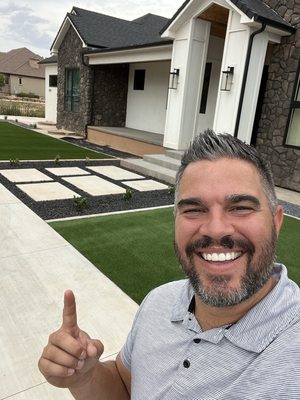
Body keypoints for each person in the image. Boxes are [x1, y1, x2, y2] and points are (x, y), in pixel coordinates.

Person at [38, 130, 300, 399]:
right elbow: (125, 384)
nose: (216, 229)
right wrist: (85, 378)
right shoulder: (159, 301)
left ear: (276, 222)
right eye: (194, 209)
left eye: (241, 207)